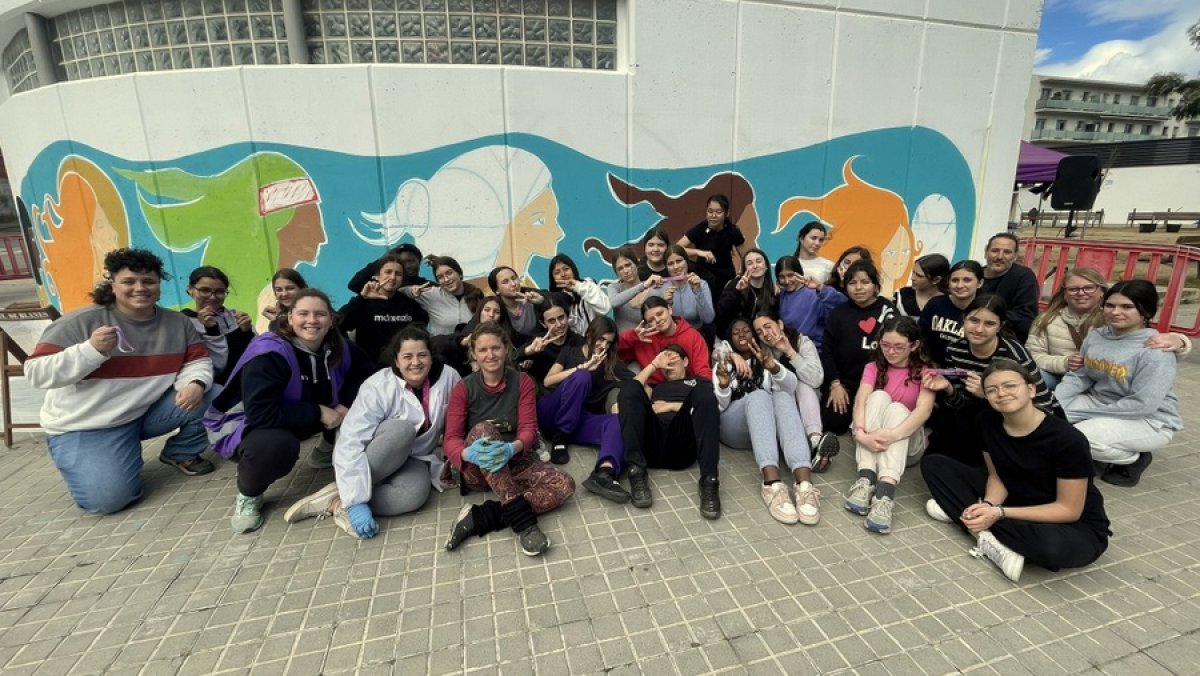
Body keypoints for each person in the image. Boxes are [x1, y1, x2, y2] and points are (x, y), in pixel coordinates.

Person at [26, 248, 216, 514]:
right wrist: (91, 350)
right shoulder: (80, 321)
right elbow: (36, 373)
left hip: (142, 413)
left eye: (148, 281)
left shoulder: (177, 323)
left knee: (213, 392)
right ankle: (96, 457)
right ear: (113, 285)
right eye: (129, 282)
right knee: (107, 502)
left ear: (159, 286)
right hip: (88, 425)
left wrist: (195, 382)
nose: (140, 288)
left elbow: (197, 360)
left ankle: (180, 452)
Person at [922, 359, 1111, 582]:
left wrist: (999, 513)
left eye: (1010, 386)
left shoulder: (1067, 439)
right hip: (1014, 499)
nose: (1001, 393)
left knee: (1051, 547)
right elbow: (997, 476)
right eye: (991, 390)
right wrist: (989, 505)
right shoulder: (987, 421)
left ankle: (966, 519)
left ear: (1031, 389)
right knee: (934, 465)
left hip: (1067, 522)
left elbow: (1068, 509)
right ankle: (986, 534)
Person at [208, 289, 374, 532]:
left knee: (366, 407)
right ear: (289, 318)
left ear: (331, 319)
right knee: (276, 446)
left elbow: (366, 373)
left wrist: (345, 404)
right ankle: (249, 494)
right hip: (251, 424)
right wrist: (318, 412)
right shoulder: (268, 351)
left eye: (320, 314)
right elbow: (260, 413)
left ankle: (327, 449)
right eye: (303, 313)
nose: (312, 320)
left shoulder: (337, 344)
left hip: (310, 412)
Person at [284, 327, 462, 538]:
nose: (416, 362)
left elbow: (459, 416)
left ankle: (338, 501)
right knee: (402, 430)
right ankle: (353, 498)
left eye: (422, 355)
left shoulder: (449, 376)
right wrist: (356, 500)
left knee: (413, 497)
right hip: (376, 453)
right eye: (407, 356)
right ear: (396, 360)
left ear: (432, 357)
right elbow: (350, 441)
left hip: (414, 457)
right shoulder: (378, 385)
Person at [443, 322, 576, 556]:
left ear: (506, 349)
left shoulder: (522, 381)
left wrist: (511, 449)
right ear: (473, 354)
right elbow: (451, 438)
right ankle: (524, 525)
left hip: (514, 460)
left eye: (496, 348)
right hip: (477, 468)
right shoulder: (463, 388)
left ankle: (480, 516)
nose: (490, 355)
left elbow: (527, 429)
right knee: (484, 430)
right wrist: (466, 453)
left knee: (565, 484)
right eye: (483, 350)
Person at [1055, 280, 1182, 487]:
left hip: (1148, 418)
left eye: (1127, 307)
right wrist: (1055, 403)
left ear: (1146, 311)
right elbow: (1080, 376)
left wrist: (1078, 416)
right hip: (1100, 403)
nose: (1115, 312)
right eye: (1110, 305)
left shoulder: (1156, 351)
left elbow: (1142, 404)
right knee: (1044, 419)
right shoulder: (1096, 336)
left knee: (1079, 437)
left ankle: (1134, 458)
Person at [923, 294, 1054, 467]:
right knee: (938, 452)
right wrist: (949, 389)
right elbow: (961, 403)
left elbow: (1043, 404)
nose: (979, 329)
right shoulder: (956, 349)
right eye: (973, 320)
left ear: (1001, 326)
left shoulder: (1013, 355)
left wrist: (986, 394)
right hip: (975, 416)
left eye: (989, 324)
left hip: (1016, 418)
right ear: (964, 319)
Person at [616, 297, 718, 514]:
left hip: (681, 443)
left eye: (660, 314)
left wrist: (672, 406)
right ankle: (636, 471)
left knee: (705, 393)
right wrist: (637, 341)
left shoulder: (692, 340)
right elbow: (612, 351)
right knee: (629, 389)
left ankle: (709, 481)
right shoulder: (647, 344)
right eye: (650, 319)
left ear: (670, 309)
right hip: (652, 443)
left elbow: (705, 384)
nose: (657, 321)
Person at [713, 319, 820, 525]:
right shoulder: (723, 363)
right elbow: (719, 407)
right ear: (730, 339)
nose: (742, 335)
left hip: (763, 429)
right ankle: (772, 484)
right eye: (737, 332)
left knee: (782, 397)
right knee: (759, 396)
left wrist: (773, 367)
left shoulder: (764, 357)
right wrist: (724, 386)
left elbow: (791, 387)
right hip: (733, 428)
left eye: (747, 331)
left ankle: (804, 483)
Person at [1027, 269, 1193, 391]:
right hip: (1060, 375)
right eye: (1073, 289)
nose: (1081, 293)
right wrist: (1064, 363)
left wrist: (1180, 341)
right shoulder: (1046, 320)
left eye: (1088, 287)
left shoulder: (1114, 316)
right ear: (1065, 294)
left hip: (1102, 379)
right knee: (1027, 379)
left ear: (1101, 291)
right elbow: (1033, 354)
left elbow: (1143, 337)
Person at [843, 317, 935, 534]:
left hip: (906, 444)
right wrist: (860, 434)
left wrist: (893, 435)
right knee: (877, 396)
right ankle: (866, 478)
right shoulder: (873, 367)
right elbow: (860, 400)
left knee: (898, 409)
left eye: (899, 346)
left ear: (914, 345)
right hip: (870, 439)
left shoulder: (926, 371)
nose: (891, 351)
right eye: (885, 345)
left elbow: (924, 411)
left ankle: (885, 492)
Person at [818, 260, 897, 471]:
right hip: (844, 384)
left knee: (874, 427)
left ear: (875, 285)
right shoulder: (839, 313)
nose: (859, 288)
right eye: (852, 283)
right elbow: (826, 351)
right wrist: (835, 384)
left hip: (877, 386)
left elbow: (897, 352)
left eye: (865, 282)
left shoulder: (887, 311)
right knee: (832, 424)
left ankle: (860, 422)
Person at [540, 316, 632, 491]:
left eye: (609, 342)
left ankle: (605, 473)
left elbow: (637, 382)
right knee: (582, 377)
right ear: (590, 335)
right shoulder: (569, 352)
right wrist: (582, 368)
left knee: (616, 421)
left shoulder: (611, 362)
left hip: (579, 421)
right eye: (601, 339)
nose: (604, 346)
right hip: (551, 413)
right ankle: (561, 435)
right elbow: (548, 381)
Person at [751, 310, 837, 473]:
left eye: (768, 327)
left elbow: (816, 379)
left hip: (806, 405)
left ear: (780, 324)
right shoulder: (761, 350)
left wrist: (790, 351)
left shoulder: (803, 342)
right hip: (781, 408)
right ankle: (815, 451)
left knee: (801, 384)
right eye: (759, 332)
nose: (765, 334)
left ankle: (815, 440)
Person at [337, 253, 428, 364]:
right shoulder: (363, 302)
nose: (393, 277)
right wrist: (362, 298)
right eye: (388, 272)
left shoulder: (410, 304)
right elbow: (337, 323)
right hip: (372, 368)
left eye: (398, 274)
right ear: (377, 276)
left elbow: (420, 331)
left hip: (404, 365)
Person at [181, 265, 254, 384]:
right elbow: (212, 369)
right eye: (205, 290)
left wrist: (247, 333)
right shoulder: (184, 323)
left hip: (248, 384)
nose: (213, 297)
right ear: (190, 289)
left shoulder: (236, 317)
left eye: (220, 292)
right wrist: (212, 331)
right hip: (213, 391)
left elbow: (255, 356)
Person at [677, 194, 746, 294]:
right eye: (710, 211)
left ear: (726, 213)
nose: (713, 216)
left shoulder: (732, 231)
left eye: (718, 212)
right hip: (702, 279)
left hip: (726, 280)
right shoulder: (700, 229)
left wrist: (740, 274)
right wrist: (699, 252)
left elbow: (746, 255)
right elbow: (677, 248)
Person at [919, 259, 984, 365]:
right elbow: (921, 338)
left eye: (967, 280)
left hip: (968, 371)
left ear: (980, 283)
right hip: (934, 368)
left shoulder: (986, 310)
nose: (959, 285)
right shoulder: (935, 304)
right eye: (955, 280)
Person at [775, 255, 845, 351]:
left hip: (816, 352)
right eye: (782, 277)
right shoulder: (780, 295)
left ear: (799, 273)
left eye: (790, 275)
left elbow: (842, 306)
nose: (787, 281)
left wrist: (821, 288)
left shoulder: (815, 293)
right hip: (791, 352)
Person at [980, 233, 1039, 342]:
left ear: (1015, 256)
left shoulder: (1023, 277)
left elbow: (1025, 317)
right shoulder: (974, 276)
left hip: (1006, 341)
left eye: (1007, 252)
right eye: (995, 251)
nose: (999, 256)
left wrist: (984, 318)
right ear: (986, 252)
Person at [403, 256, 482, 336]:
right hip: (441, 347)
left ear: (460, 274)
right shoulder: (432, 295)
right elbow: (399, 291)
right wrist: (412, 291)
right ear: (438, 282)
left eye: (449, 273)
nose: (446, 279)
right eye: (440, 277)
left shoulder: (476, 294)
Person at [515, 299, 584, 387]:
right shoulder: (538, 342)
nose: (559, 324)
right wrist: (529, 351)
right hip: (544, 394)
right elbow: (511, 358)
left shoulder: (580, 342)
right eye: (552, 321)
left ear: (567, 316)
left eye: (561, 317)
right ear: (543, 324)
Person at [715, 248, 776, 338]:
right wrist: (737, 291)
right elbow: (721, 313)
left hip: (760, 339)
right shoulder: (735, 284)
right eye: (749, 263)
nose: (755, 266)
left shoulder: (773, 291)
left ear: (766, 265)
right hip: (732, 338)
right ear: (745, 268)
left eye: (758, 261)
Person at [547, 253, 612, 335]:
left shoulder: (587, 285)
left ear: (573, 270)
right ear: (553, 278)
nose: (563, 274)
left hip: (596, 339)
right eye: (557, 272)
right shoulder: (553, 299)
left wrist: (578, 287)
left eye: (566, 269)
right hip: (573, 345)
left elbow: (605, 308)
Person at [662, 244, 715, 344]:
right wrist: (667, 304)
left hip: (697, 336)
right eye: (670, 263)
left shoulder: (701, 284)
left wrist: (697, 291)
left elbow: (708, 319)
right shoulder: (661, 288)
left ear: (686, 261)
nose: (676, 267)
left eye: (679, 261)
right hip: (672, 341)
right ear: (666, 267)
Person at [607, 246, 663, 332]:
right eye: (620, 268)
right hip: (624, 343)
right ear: (617, 273)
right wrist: (642, 286)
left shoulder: (652, 287)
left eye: (628, 265)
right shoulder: (614, 287)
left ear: (637, 264)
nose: (626, 271)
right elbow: (614, 302)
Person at [487, 265, 550, 339]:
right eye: (505, 282)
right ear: (497, 290)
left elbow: (558, 299)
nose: (513, 284)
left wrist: (542, 303)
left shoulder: (532, 295)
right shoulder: (494, 307)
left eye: (514, 278)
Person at [346, 242, 429, 295]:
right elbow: (353, 285)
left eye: (411, 261)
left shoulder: (426, 286)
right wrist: (384, 260)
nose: (407, 266)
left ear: (419, 261)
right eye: (403, 262)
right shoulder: (384, 285)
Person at [894, 253, 948, 318]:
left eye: (919, 276)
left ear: (936, 280)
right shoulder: (901, 296)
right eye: (913, 272)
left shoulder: (950, 301)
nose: (912, 278)